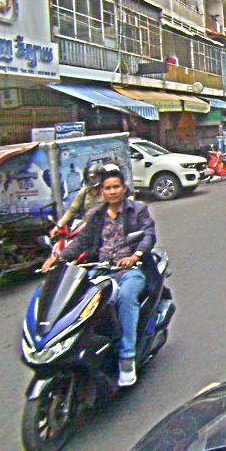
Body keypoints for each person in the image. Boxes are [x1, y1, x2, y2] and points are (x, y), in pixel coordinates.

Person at [41, 165, 156, 387]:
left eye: (116, 187)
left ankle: (127, 357)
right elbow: (81, 241)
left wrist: (135, 256)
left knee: (125, 298)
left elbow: (148, 235)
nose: (112, 191)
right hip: (100, 269)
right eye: (108, 188)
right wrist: (59, 258)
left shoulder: (138, 210)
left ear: (124, 189)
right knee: (80, 300)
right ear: (102, 192)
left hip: (130, 271)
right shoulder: (96, 216)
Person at [50, 160, 106, 237]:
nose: (91, 180)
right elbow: (72, 210)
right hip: (87, 227)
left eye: (94, 177)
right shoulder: (84, 192)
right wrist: (59, 225)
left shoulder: (107, 192)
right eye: (90, 177)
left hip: (105, 226)